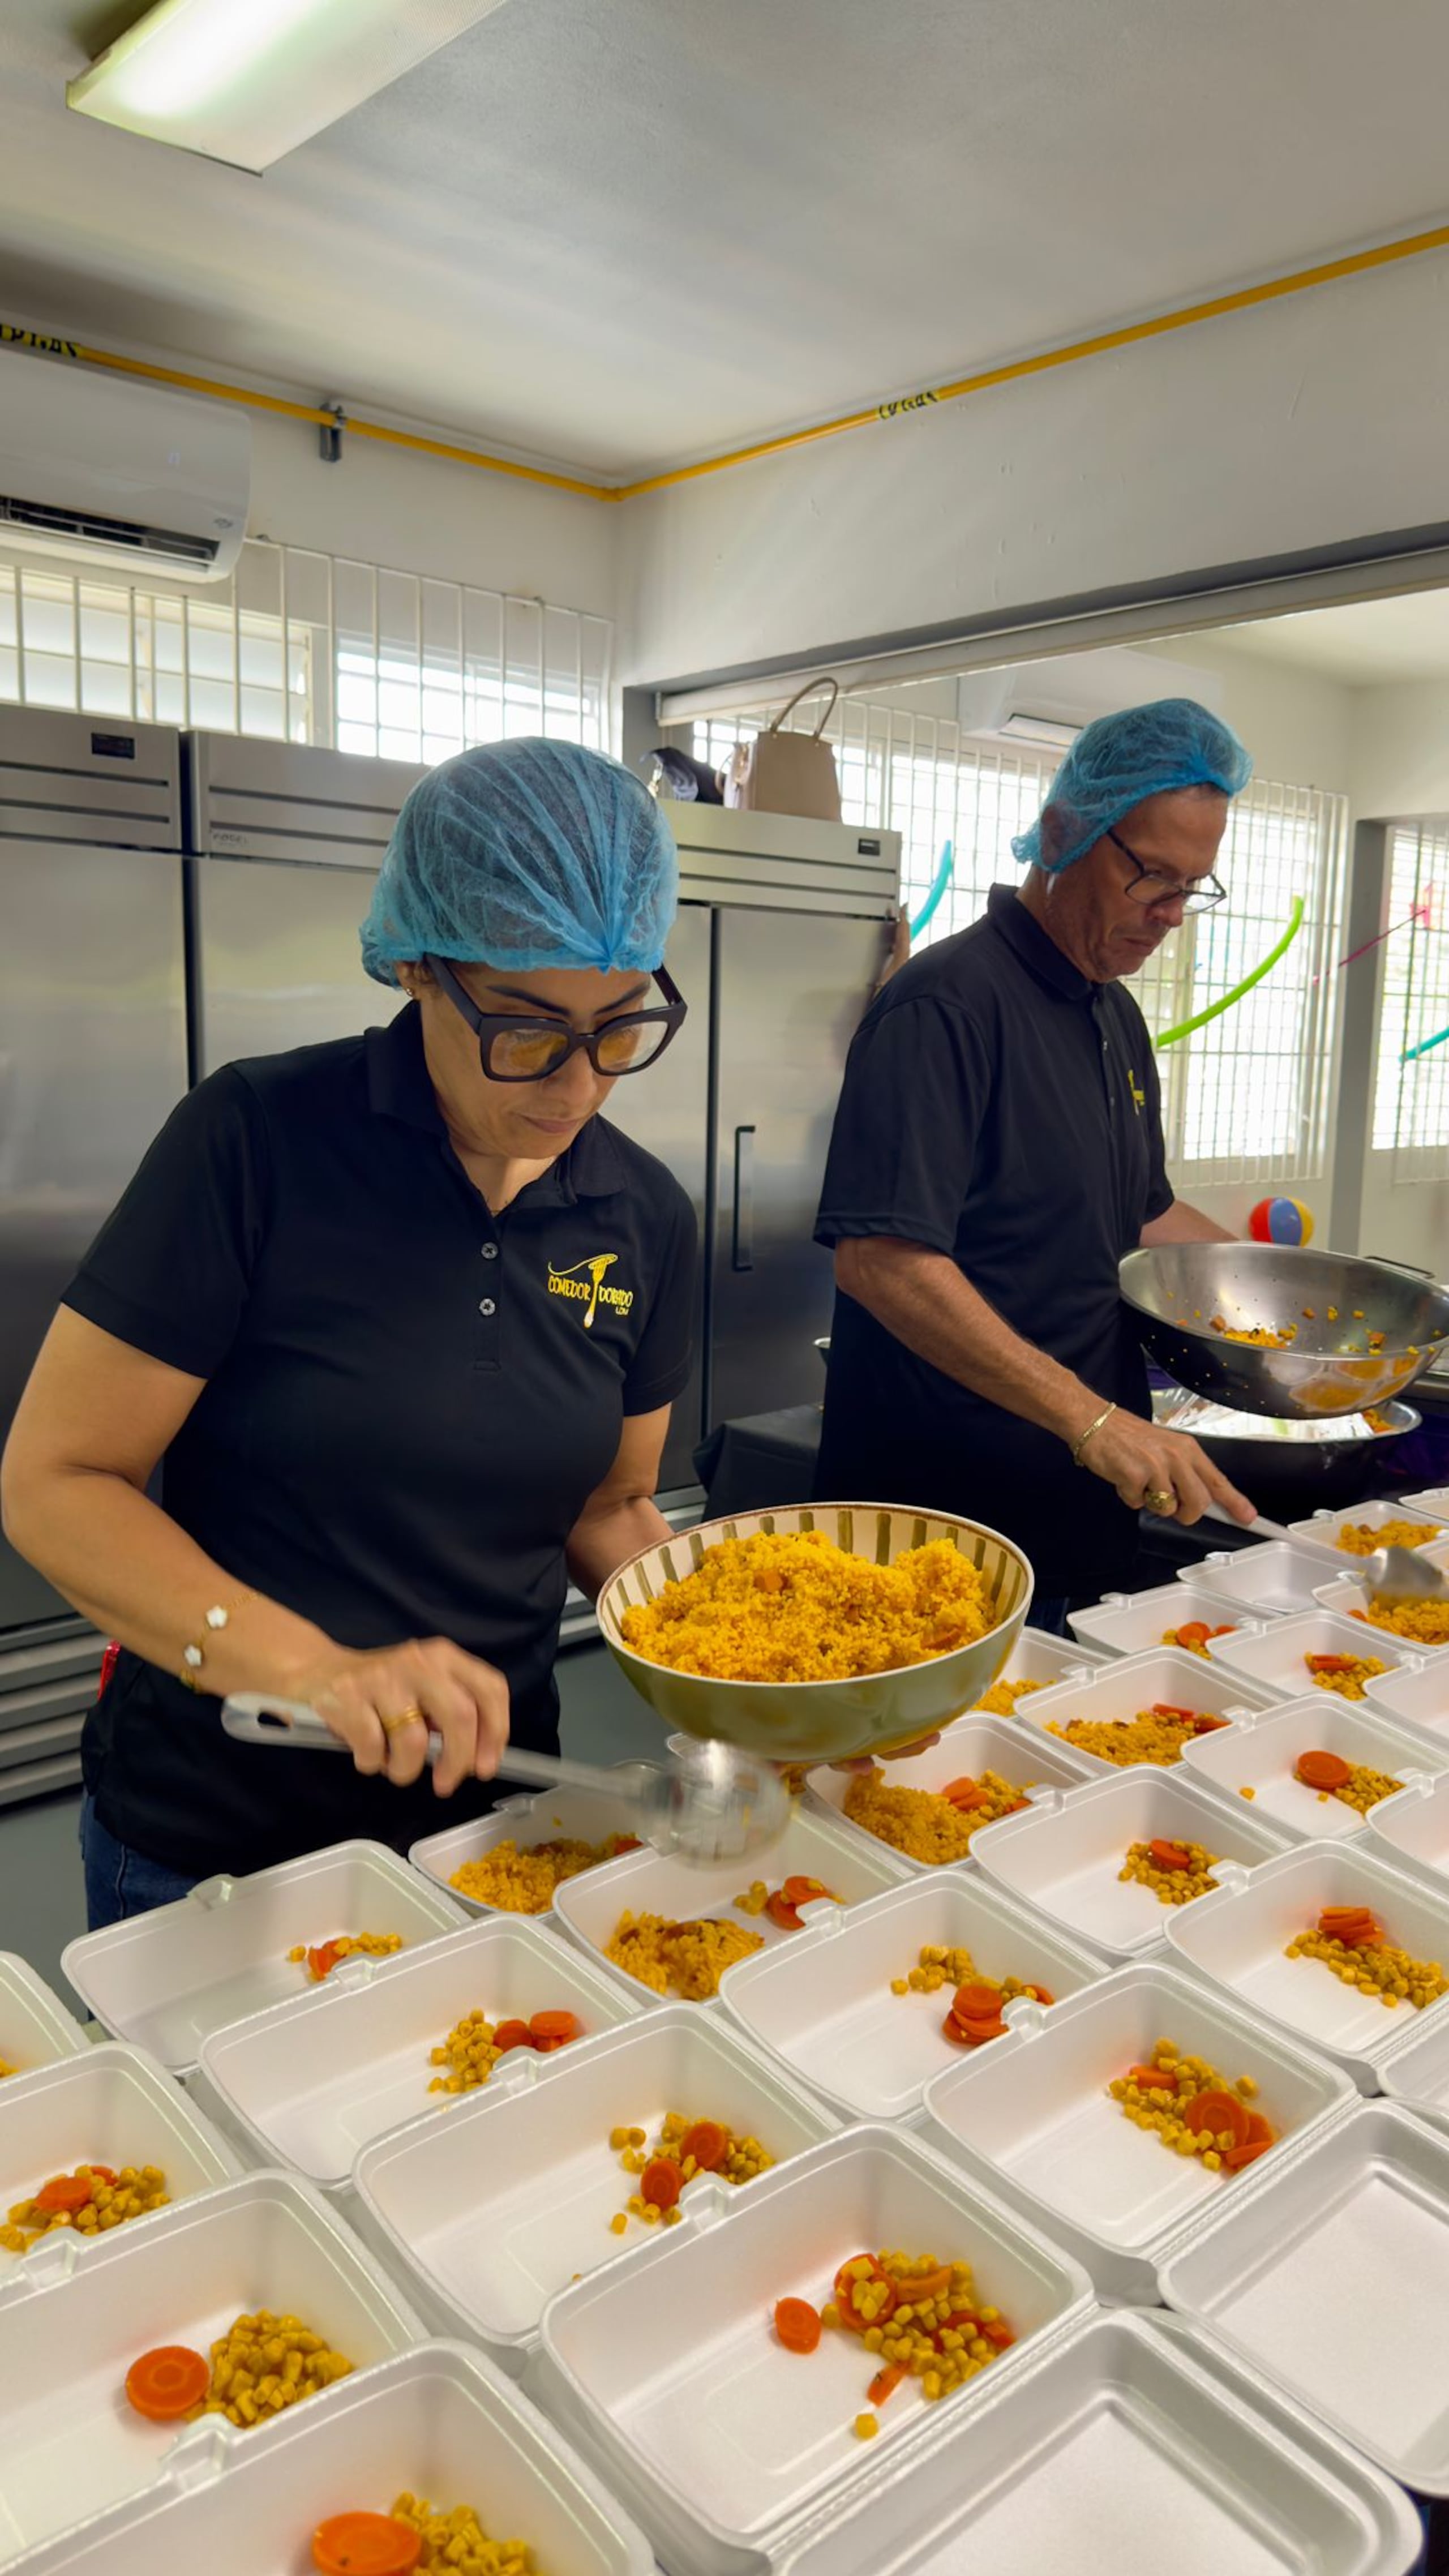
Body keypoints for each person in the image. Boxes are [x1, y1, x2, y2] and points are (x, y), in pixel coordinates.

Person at [1, 739, 697, 1926]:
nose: (577, 1083)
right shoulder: (255, 1141)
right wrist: (313, 1669)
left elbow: (609, 1505)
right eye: (526, 1027)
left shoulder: (642, 1214)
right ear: (422, 971)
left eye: (619, 1025)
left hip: (494, 1829)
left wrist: (751, 1665)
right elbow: (58, 1481)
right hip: (215, 1838)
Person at [813, 697, 1259, 1623]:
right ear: (1064, 834)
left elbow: (1140, 1213)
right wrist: (1090, 1420)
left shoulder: (1112, 1013)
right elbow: (884, 1263)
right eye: (1153, 879)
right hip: (937, 1544)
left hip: (1080, 1517)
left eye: (1193, 888)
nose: (1172, 916)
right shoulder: (946, 1008)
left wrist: (1276, 1311)